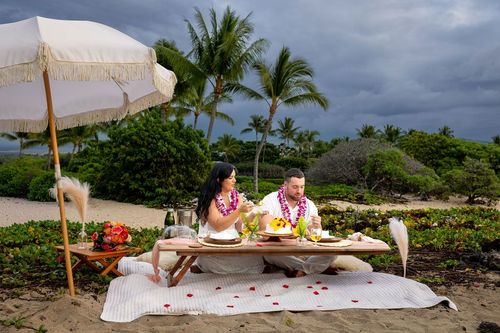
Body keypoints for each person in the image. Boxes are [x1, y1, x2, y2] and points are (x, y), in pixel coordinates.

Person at [260, 168, 337, 277]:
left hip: (303, 248)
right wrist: (293, 231)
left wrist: (317, 226)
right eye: (295, 187)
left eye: (302, 187)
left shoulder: (310, 204)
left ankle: (301, 270)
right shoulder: (271, 199)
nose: (299, 191)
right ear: (285, 185)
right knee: (269, 254)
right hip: (279, 249)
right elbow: (264, 226)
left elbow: (313, 232)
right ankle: (312, 268)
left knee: (332, 254)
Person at [192, 162, 265, 274]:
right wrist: (239, 211)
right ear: (219, 180)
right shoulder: (211, 198)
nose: (234, 181)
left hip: (233, 245)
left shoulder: (237, 197)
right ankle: (203, 266)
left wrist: (255, 215)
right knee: (210, 262)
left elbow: (239, 226)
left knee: (257, 260)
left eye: (234, 177)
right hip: (212, 246)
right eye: (231, 178)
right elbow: (218, 226)